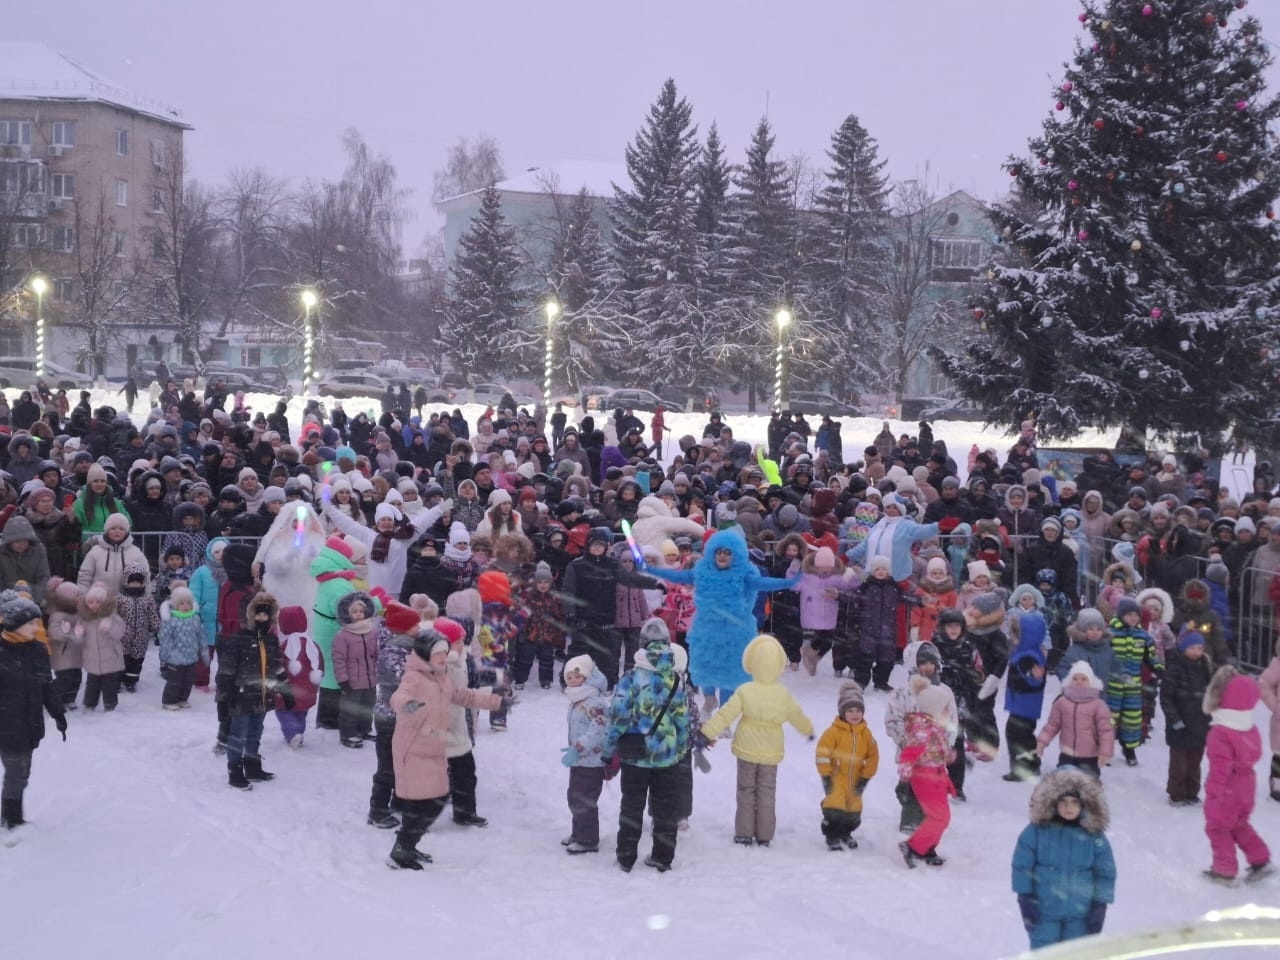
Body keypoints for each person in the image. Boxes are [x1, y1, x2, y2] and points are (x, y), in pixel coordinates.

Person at [386, 625, 506, 870]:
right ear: (425, 653)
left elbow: (464, 696)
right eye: (438, 653)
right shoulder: (415, 676)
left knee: (436, 798)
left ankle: (407, 845)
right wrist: (407, 706)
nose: (443, 657)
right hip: (414, 749)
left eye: (445, 652)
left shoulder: (441, 677)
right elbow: (398, 697)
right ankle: (402, 849)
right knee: (425, 801)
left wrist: (496, 701)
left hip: (433, 748)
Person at [647, 527, 797, 711]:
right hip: (706, 629)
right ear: (712, 552)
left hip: (735, 631)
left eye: (727, 553)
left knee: (730, 673)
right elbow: (677, 575)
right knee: (704, 667)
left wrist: (788, 583)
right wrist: (651, 569)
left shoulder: (744, 575)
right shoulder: (702, 572)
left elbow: (765, 583)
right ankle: (709, 699)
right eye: (719, 552)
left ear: (736, 555)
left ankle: (724, 711)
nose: (722, 556)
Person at [701, 634, 815, 847]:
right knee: (767, 791)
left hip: (747, 748)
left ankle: (744, 832)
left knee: (746, 789)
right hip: (771, 751)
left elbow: (726, 714)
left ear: (751, 662)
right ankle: (764, 834)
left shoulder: (746, 691)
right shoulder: (782, 694)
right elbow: (796, 715)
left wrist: (707, 732)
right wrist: (807, 729)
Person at [602, 617, 689, 873]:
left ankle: (626, 856)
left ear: (641, 644)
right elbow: (682, 720)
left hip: (634, 755)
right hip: (667, 756)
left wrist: (608, 751)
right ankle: (663, 856)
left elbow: (617, 718)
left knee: (632, 804)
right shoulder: (675, 679)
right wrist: (681, 749)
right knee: (665, 807)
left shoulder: (630, 678)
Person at [1012, 769, 1116, 949]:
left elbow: (1105, 872)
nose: (1069, 807)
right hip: (1043, 911)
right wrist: (1025, 897)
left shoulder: (1093, 836)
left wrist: (1100, 903)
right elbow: (1022, 866)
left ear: (1085, 804)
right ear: (1052, 802)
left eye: (1075, 802)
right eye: (1063, 801)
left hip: (1080, 913)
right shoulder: (1036, 832)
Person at [0, 597, 67, 830]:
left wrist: (58, 714)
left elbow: (46, 686)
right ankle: (11, 819)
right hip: (6, 725)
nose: (36, 628)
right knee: (16, 772)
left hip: (30, 723)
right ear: (15, 623)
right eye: (30, 624)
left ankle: (10, 811)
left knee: (23, 771)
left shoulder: (38, 650)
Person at [1201, 666, 1273, 884]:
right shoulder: (1249, 726)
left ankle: (1224, 870)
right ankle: (1260, 859)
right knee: (1239, 824)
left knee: (1218, 827)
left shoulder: (1220, 732)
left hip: (1227, 788)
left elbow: (1220, 767)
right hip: (1247, 784)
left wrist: (1213, 791)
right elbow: (1257, 753)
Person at [216, 592, 292, 790]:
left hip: (262, 696)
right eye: (257, 615)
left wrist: (286, 691)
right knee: (237, 735)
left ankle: (252, 766)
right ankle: (235, 770)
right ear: (250, 616)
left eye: (265, 616)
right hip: (240, 697)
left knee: (255, 732)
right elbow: (225, 671)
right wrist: (222, 700)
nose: (261, 619)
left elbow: (277, 667)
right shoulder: (238, 640)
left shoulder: (271, 640)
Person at [897, 674, 956, 867]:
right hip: (925, 779)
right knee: (940, 817)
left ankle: (926, 847)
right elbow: (908, 755)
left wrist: (947, 756)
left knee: (941, 817)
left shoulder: (935, 729)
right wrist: (905, 776)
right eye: (945, 709)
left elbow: (934, 751)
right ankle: (913, 847)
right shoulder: (923, 731)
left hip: (937, 777)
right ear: (934, 710)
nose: (948, 712)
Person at [559, 654, 613, 854]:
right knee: (574, 796)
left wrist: (578, 747)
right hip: (579, 760)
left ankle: (589, 839)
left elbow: (598, 731)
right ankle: (578, 832)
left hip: (592, 762)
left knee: (585, 800)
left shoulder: (594, 701)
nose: (572, 681)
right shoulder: (578, 697)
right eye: (569, 677)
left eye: (576, 676)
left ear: (587, 677)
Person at [815, 681, 879, 851]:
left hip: (856, 779)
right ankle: (832, 835)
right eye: (850, 711)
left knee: (854, 813)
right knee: (835, 808)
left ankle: (845, 832)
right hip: (837, 777)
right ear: (842, 712)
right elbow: (822, 753)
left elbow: (873, 755)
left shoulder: (866, 733)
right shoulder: (833, 732)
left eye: (858, 710)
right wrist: (826, 775)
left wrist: (865, 777)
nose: (855, 714)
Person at [1107, 597, 1162, 766]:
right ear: (1121, 615)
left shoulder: (1143, 637)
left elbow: (1151, 657)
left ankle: (1129, 748)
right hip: (1113, 685)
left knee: (1132, 718)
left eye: (1136, 615)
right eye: (1129, 614)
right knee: (1109, 718)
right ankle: (1105, 749)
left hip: (1133, 685)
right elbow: (1101, 656)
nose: (1133, 618)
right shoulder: (1110, 634)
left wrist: (1159, 669)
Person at [1036, 661, 1114, 778]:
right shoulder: (1062, 702)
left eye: (1083, 679)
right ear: (1069, 680)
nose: (1079, 682)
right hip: (1067, 754)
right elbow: (1052, 725)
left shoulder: (1098, 705)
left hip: (1089, 756)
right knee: (1063, 782)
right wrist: (1042, 741)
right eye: (1075, 678)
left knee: (1087, 784)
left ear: (1091, 682)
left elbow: (1106, 731)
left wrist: (1105, 752)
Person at [331, 591, 379, 748]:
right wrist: (343, 680)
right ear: (347, 613)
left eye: (361, 611)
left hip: (370, 678)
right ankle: (348, 734)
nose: (358, 615)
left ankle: (364, 729)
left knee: (367, 706)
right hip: (352, 680)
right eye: (354, 612)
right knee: (350, 709)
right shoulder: (343, 635)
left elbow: (376, 654)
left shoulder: (371, 631)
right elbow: (339, 660)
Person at [157, 586, 207, 709]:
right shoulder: (171, 620)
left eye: (188, 603)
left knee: (188, 681)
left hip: (191, 657)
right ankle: (169, 701)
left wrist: (204, 650)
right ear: (175, 605)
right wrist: (165, 655)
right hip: (175, 658)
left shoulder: (195, 618)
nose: (186, 606)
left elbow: (201, 635)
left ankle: (182, 699)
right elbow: (165, 638)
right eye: (182, 603)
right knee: (175, 682)